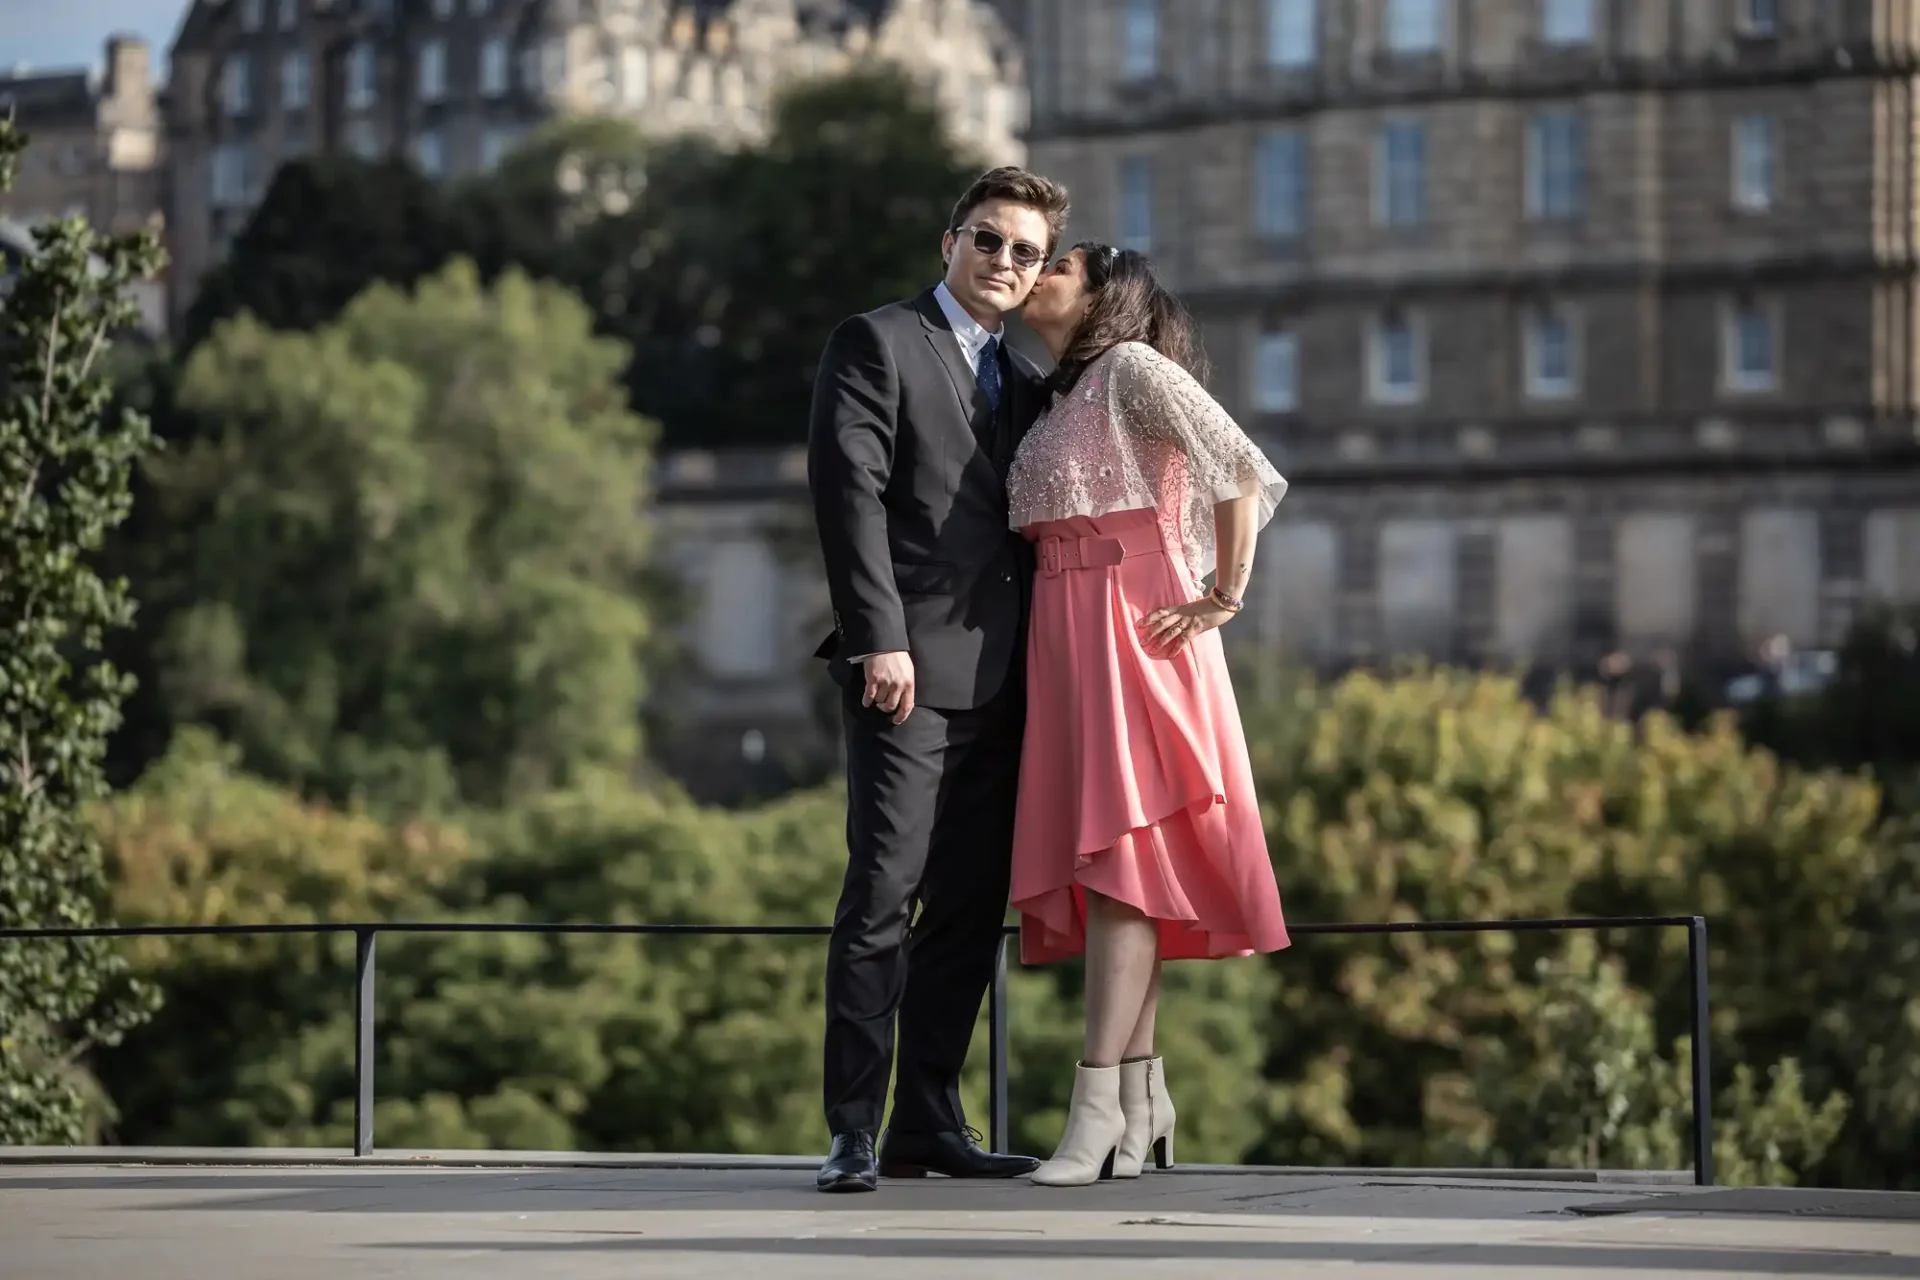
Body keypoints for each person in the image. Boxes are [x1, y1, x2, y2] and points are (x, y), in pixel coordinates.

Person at [806, 166, 1073, 1193]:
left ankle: (928, 1123)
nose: (1005, 261)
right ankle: (851, 1129)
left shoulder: (1023, 377)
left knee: (968, 908)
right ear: (950, 240)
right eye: (989, 239)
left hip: (1009, 682)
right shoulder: (875, 342)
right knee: (881, 893)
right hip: (905, 674)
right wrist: (879, 638)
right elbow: (849, 495)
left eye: (1026, 252)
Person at [1005, 242, 1293, 1187]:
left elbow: (1239, 468)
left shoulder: (1131, 367)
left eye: (1057, 262)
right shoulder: (1058, 390)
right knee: (1123, 868)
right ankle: (1141, 1100)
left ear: (1100, 292)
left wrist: (1225, 591)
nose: (1035, 270)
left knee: (1125, 864)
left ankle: (1094, 1110)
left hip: (1136, 624)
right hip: (1067, 630)